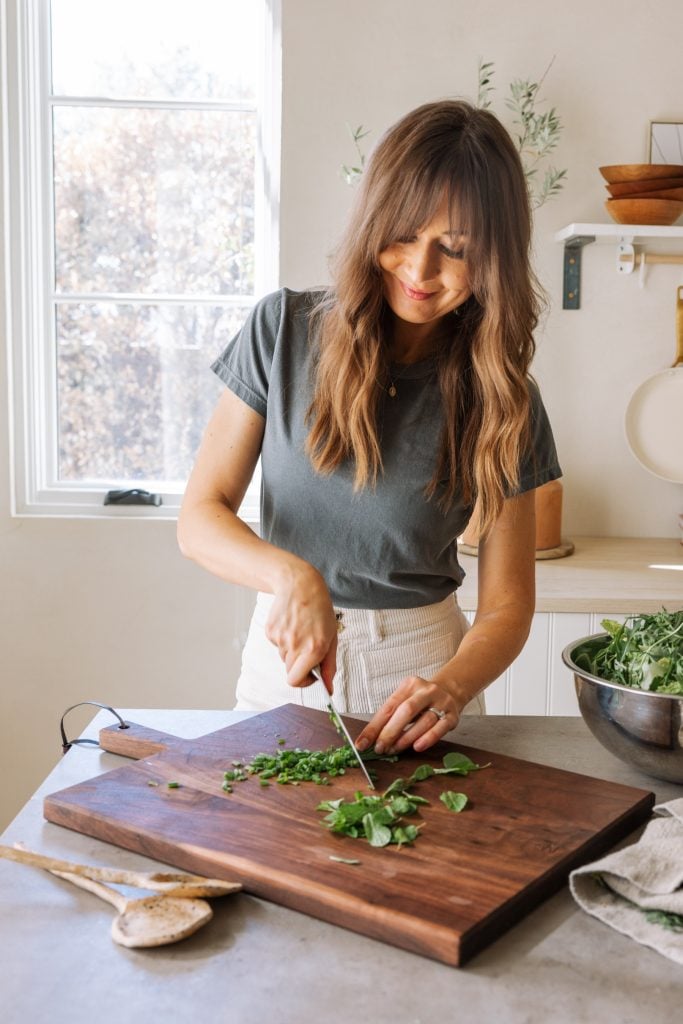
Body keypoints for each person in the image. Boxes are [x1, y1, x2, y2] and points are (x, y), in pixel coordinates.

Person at [177, 99, 561, 757]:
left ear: (492, 257)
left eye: (455, 249)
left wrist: (450, 687)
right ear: (372, 225)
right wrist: (291, 577)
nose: (419, 270)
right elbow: (199, 517)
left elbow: (506, 606)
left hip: (419, 675)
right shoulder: (283, 332)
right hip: (283, 665)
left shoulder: (505, 399)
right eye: (404, 236)